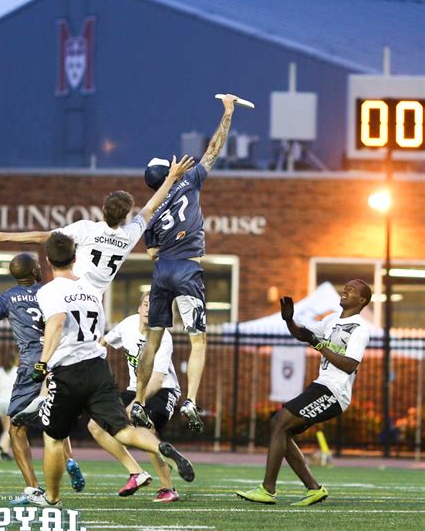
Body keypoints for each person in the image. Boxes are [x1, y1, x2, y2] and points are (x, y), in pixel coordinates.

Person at [28, 232, 194, 508]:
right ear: (75, 258)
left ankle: (52, 498)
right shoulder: (91, 292)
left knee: (54, 438)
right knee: (122, 429)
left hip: (68, 371)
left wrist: (43, 363)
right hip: (98, 368)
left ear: (47, 260)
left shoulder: (48, 291)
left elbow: (56, 322)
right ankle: (159, 448)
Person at [132, 94, 239, 433]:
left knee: (153, 338)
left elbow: (149, 253)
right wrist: (228, 112)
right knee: (197, 339)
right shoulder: (189, 182)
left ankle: (136, 401)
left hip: (161, 270)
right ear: (172, 172)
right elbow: (213, 150)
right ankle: (191, 399)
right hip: (188, 269)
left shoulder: (148, 213)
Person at [0, 253, 85, 504]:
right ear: (35, 271)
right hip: (61, 360)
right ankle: (69, 460)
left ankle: (33, 489)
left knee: (16, 428)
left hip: (31, 366)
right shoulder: (50, 290)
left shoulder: (7, 298)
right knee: (56, 418)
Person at [0, 155, 195, 296]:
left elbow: (43, 237)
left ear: (103, 209)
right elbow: (149, 207)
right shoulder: (129, 235)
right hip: (93, 303)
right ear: (125, 216)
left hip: (70, 293)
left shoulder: (87, 229)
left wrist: (2, 236)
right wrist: (171, 179)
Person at [236, 279, 372, 506]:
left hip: (334, 391)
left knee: (279, 422)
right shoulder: (331, 319)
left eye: (353, 289)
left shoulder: (360, 327)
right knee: (281, 428)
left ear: (362, 301)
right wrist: (289, 320)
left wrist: (319, 346)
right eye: (345, 286)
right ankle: (314, 489)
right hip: (322, 385)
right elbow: (303, 334)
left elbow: (349, 365)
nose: (346, 289)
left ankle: (268, 489)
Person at [89, 290, 181, 503]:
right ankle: (136, 472)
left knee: (144, 425)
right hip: (134, 388)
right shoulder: (128, 324)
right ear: (140, 308)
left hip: (163, 390)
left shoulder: (163, 338)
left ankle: (168, 488)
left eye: (156, 306)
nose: (150, 310)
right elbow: (103, 342)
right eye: (146, 304)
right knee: (95, 426)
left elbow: (157, 381)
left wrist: (136, 403)